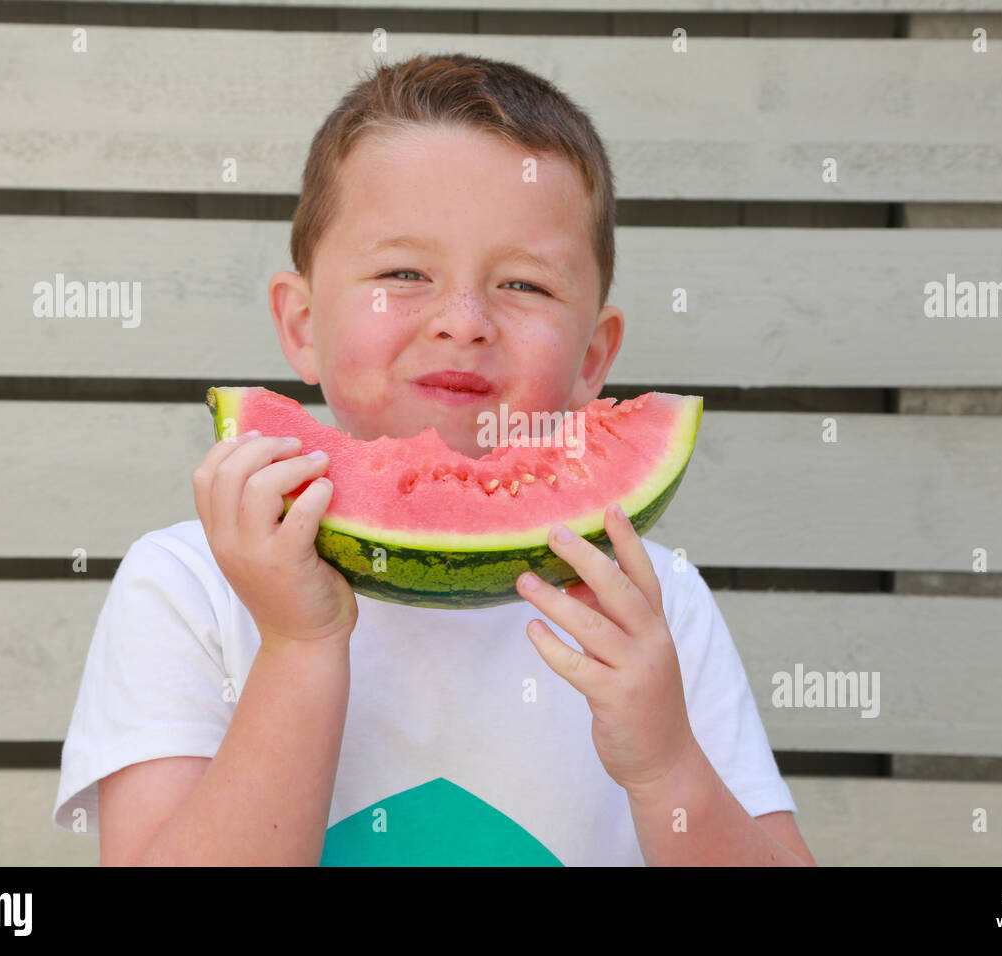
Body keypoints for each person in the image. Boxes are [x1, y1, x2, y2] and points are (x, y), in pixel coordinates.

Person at [52, 52, 815, 866]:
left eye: (524, 285)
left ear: (594, 359)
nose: (463, 321)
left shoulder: (650, 607)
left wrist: (667, 767)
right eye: (404, 273)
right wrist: (297, 647)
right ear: (303, 324)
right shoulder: (189, 585)